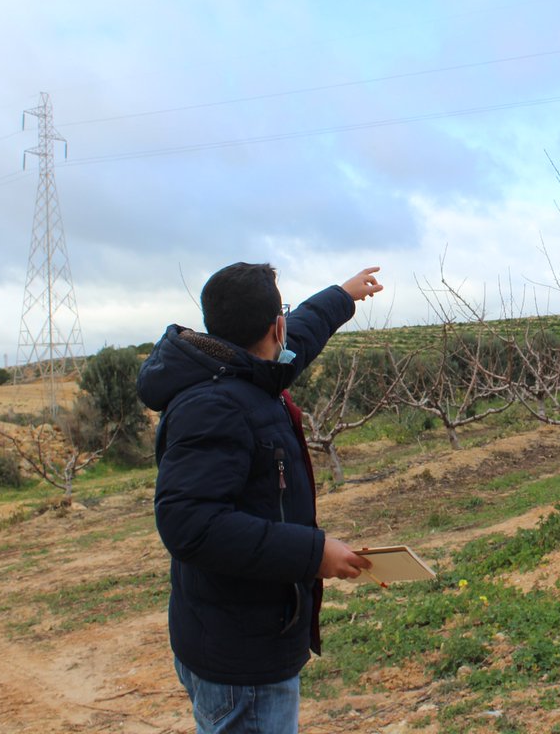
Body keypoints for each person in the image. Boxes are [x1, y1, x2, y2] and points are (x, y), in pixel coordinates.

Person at [137, 262, 384, 734]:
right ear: (275, 325)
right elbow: (192, 525)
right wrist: (313, 554)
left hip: (236, 632)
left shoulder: (237, 370)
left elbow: (301, 336)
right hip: (241, 660)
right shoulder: (217, 406)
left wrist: (342, 296)